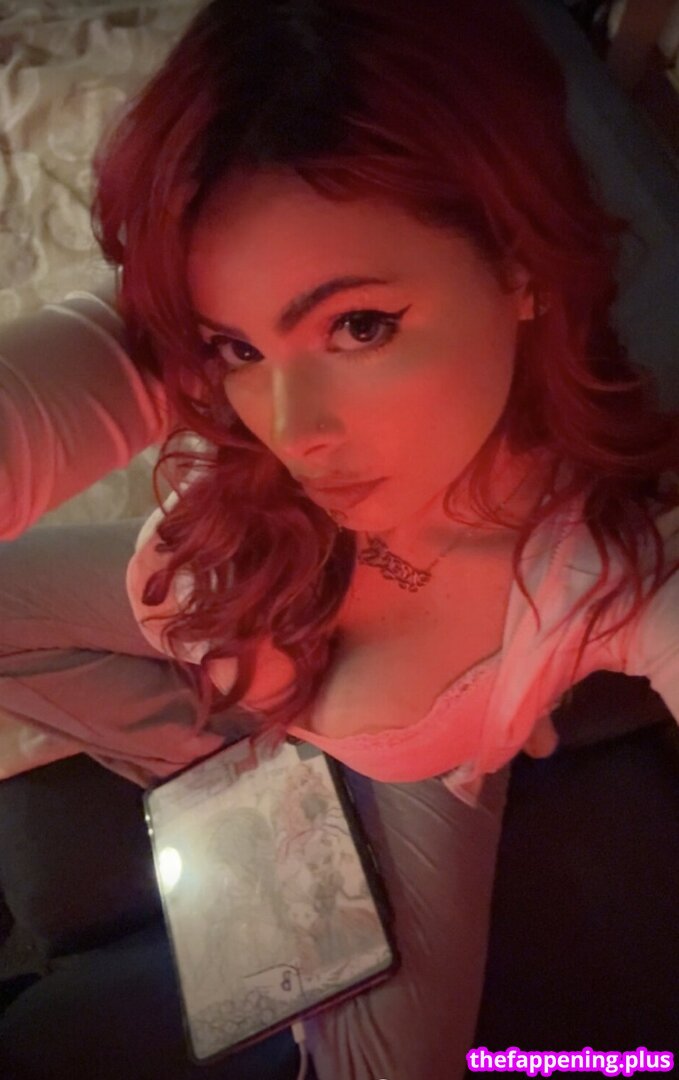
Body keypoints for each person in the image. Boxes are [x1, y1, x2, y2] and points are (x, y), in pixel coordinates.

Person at [0, 0, 678, 1077]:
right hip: (219, 669)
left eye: (358, 326)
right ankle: (244, 781)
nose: (290, 431)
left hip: (407, 779)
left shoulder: (604, 567)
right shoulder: (211, 381)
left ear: (520, 266)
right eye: (234, 345)